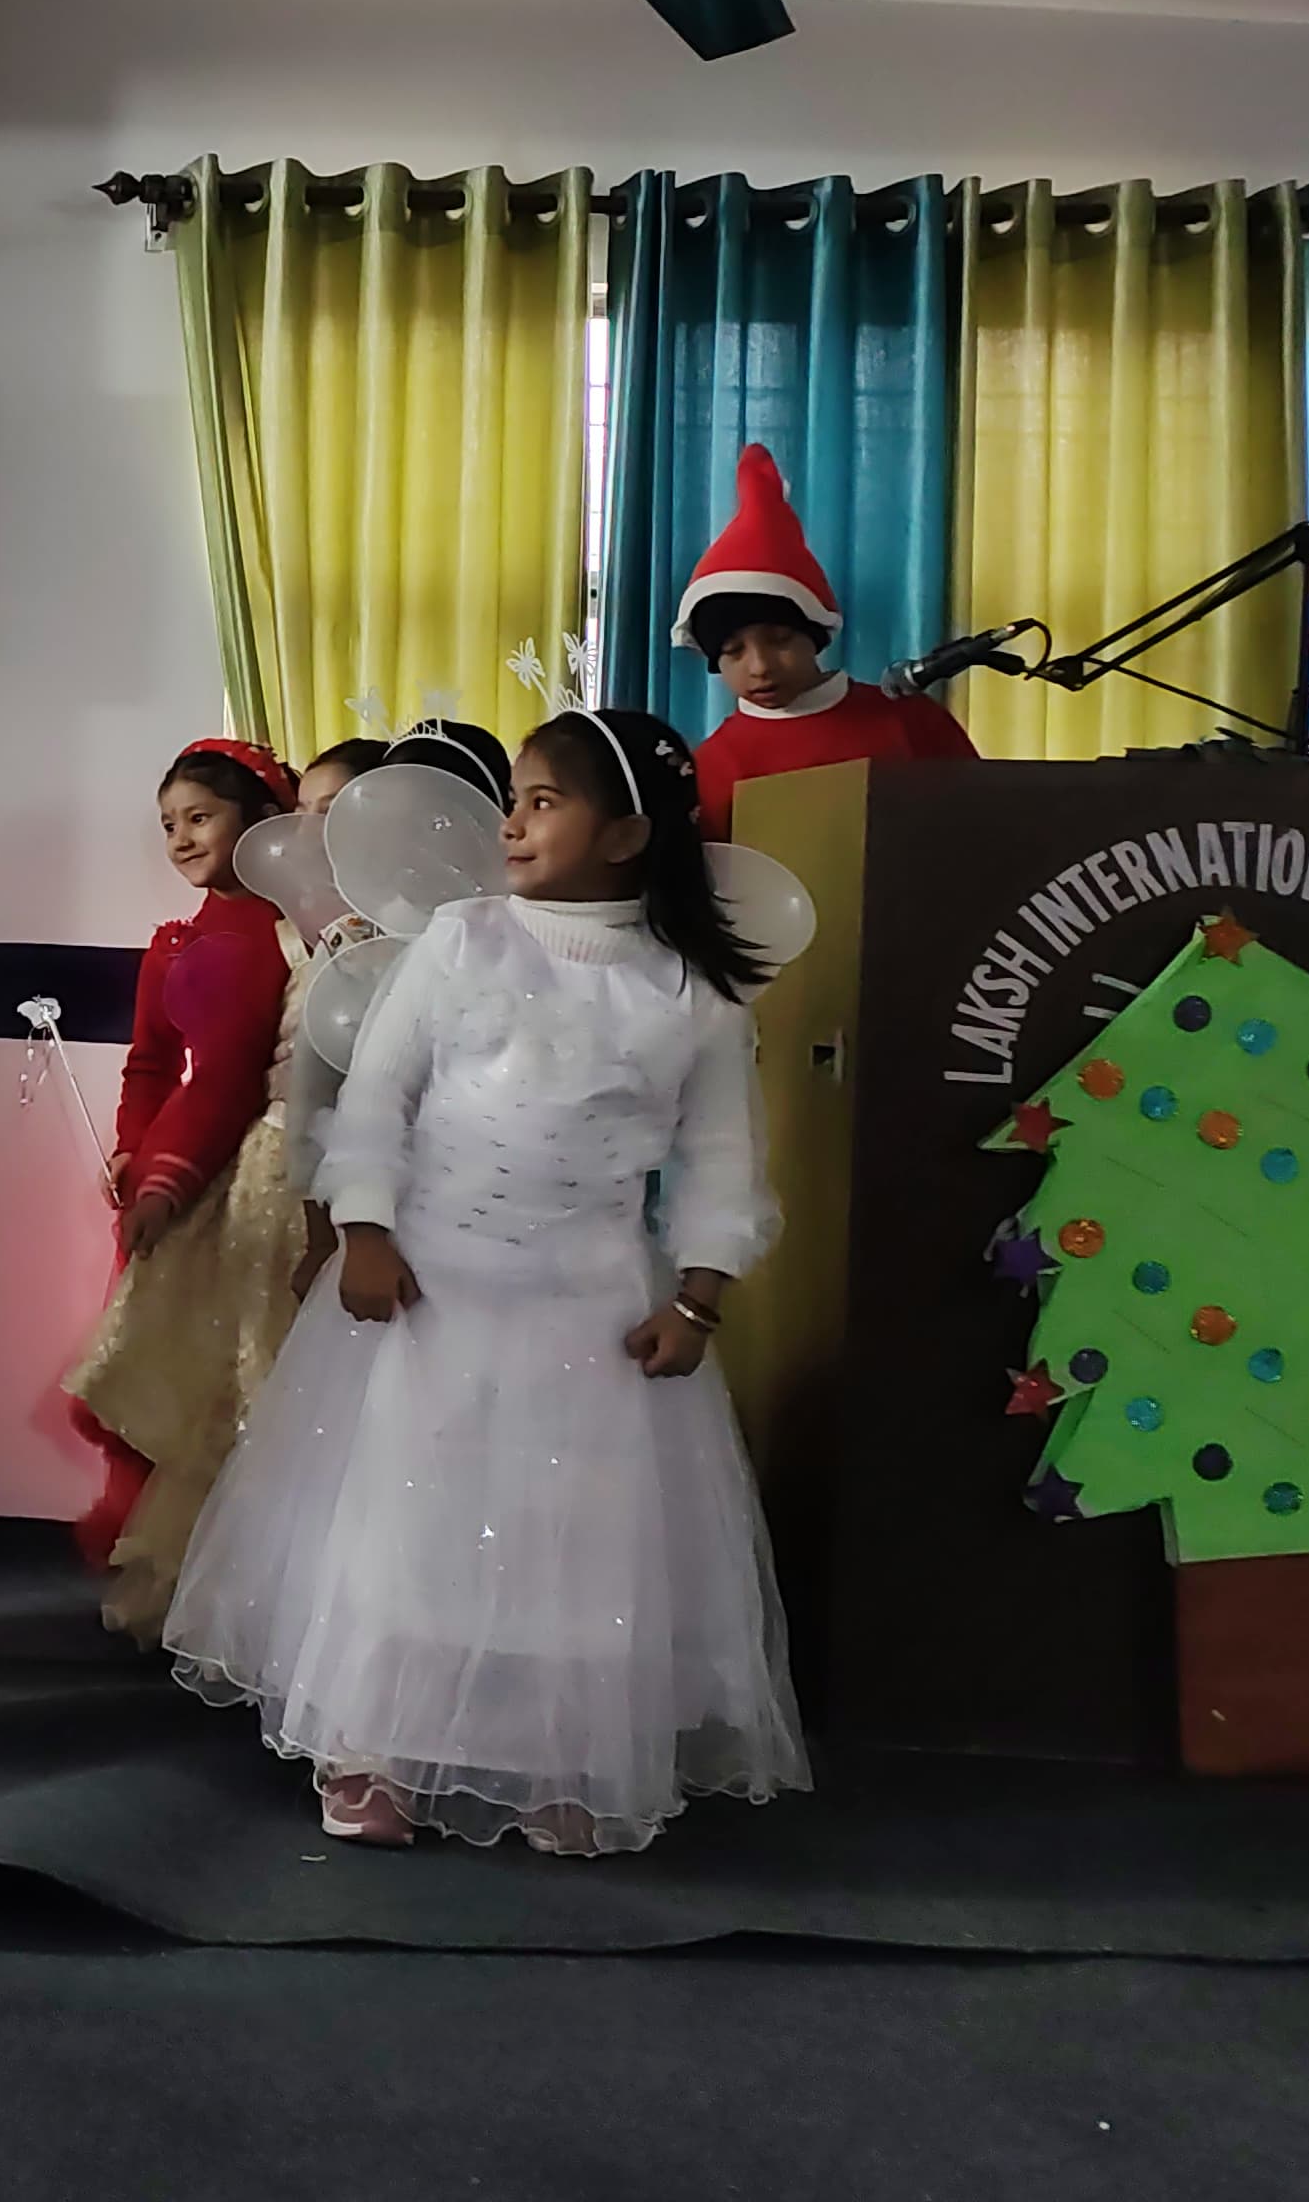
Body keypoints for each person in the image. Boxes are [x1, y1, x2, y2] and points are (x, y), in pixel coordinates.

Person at [168, 705, 809, 1855]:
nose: (508, 823)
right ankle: (374, 1748)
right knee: (411, 1516)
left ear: (625, 834)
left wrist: (697, 1295)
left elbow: (723, 1160)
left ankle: (563, 1755)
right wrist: (365, 1229)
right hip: (436, 1289)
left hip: (596, 1306)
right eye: (513, 798)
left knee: (570, 1534)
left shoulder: (689, 994)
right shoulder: (463, 940)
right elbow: (379, 1094)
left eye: (542, 802)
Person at [66, 739, 300, 1644]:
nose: (181, 839)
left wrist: (171, 1178)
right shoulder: (177, 941)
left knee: (226, 1378)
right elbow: (151, 1063)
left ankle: (241, 1596)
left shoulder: (287, 935)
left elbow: (234, 1080)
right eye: (169, 824)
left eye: (201, 817)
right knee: (167, 1362)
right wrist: (133, 1152)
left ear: (262, 820)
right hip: (172, 1165)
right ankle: (177, 1579)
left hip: (239, 1172)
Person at [285, 720, 513, 1301]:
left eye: (437, 820)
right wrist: (322, 1236)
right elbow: (314, 1094)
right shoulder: (354, 940)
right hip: (382, 1221)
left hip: (507, 1214)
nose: (412, 840)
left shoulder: (524, 933)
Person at [679, 443, 975, 837]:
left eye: (780, 640)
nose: (760, 666)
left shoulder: (911, 721)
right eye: (733, 651)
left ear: (815, 634)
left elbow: (981, 822)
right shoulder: (715, 764)